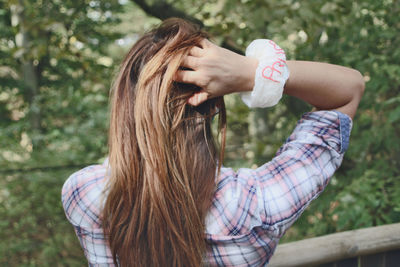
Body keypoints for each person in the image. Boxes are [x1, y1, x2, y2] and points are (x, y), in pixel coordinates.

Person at [61, 18, 364, 266]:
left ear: (125, 107)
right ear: (214, 107)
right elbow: (348, 89)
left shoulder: (84, 195)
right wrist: (251, 72)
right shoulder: (252, 208)